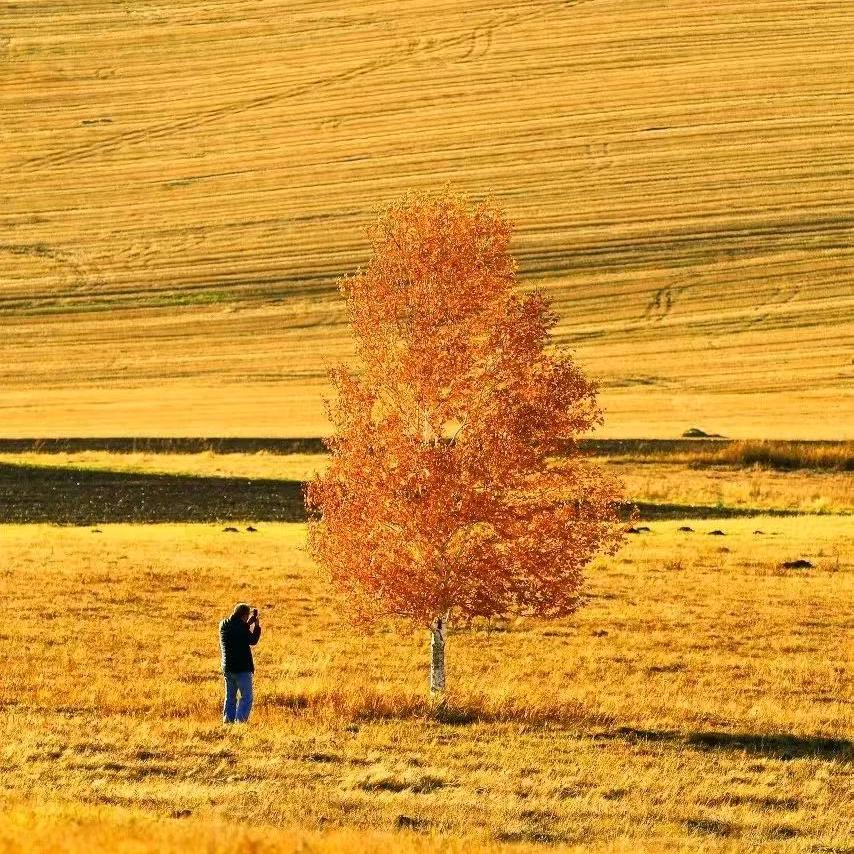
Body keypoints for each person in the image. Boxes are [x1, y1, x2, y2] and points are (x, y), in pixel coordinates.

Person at [219, 602, 261, 724]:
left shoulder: (223, 625)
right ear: (244, 615)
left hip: (227, 668)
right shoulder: (241, 628)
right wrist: (256, 626)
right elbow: (252, 640)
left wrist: (247, 624)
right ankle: (240, 724)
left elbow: (237, 631)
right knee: (246, 697)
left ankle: (228, 723)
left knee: (230, 698)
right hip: (242, 669)